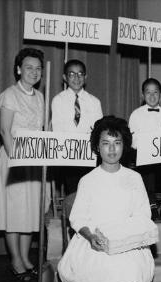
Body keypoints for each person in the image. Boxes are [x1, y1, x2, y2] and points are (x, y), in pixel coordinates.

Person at [58, 116, 157, 282]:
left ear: (125, 145)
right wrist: (92, 237)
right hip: (94, 238)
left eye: (117, 142)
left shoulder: (134, 178)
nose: (112, 149)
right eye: (106, 143)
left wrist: (129, 235)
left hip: (129, 239)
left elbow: (143, 214)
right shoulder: (88, 180)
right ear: (96, 146)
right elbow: (78, 217)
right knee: (108, 264)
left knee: (133, 266)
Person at [0, 47, 49, 281]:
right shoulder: (9, 95)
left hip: (34, 159)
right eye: (29, 68)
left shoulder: (41, 96)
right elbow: (5, 131)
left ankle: (25, 257)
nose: (34, 72)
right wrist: (17, 159)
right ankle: (15, 261)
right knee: (14, 211)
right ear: (18, 69)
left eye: (38, 68)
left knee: (29, 211)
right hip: (14, 158)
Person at [51, 59, 103, 193]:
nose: (76, 78)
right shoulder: (58, 100)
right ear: (64, 77)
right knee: (73, 193)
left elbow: (98, 130)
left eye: (80, 74)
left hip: (89, 154)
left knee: (90, 191)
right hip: (69, 156)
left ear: (85, 77)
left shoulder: (94, 101)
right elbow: (57, 129)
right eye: (72, 74)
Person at [128, 78, 161, 220]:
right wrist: (147, 147)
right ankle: (152, 206)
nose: (152, 96)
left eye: (155, 92)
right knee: (146, 165)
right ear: (143, 95)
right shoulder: (136, 115)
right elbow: (133, 141)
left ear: (160, 95)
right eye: (148, 92)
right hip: (143, 155)